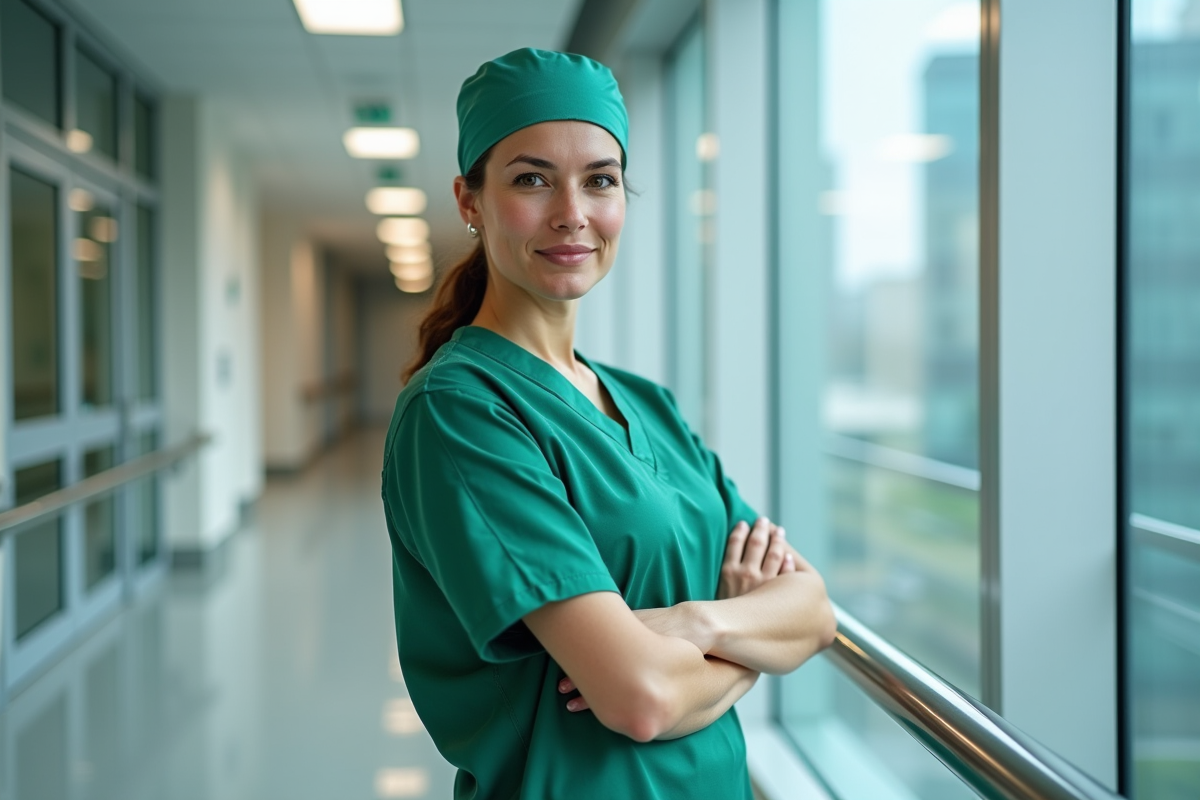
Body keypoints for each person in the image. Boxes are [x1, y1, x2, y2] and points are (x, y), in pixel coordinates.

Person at [381, 47, 836, 800]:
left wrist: (695, 627)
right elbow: (640, 699)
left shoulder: (646, 403)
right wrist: (752, 646)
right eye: (532, 179)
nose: (573, 213)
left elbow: (815, 612)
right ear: (469, 200)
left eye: (600, 180)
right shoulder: (461, 411)